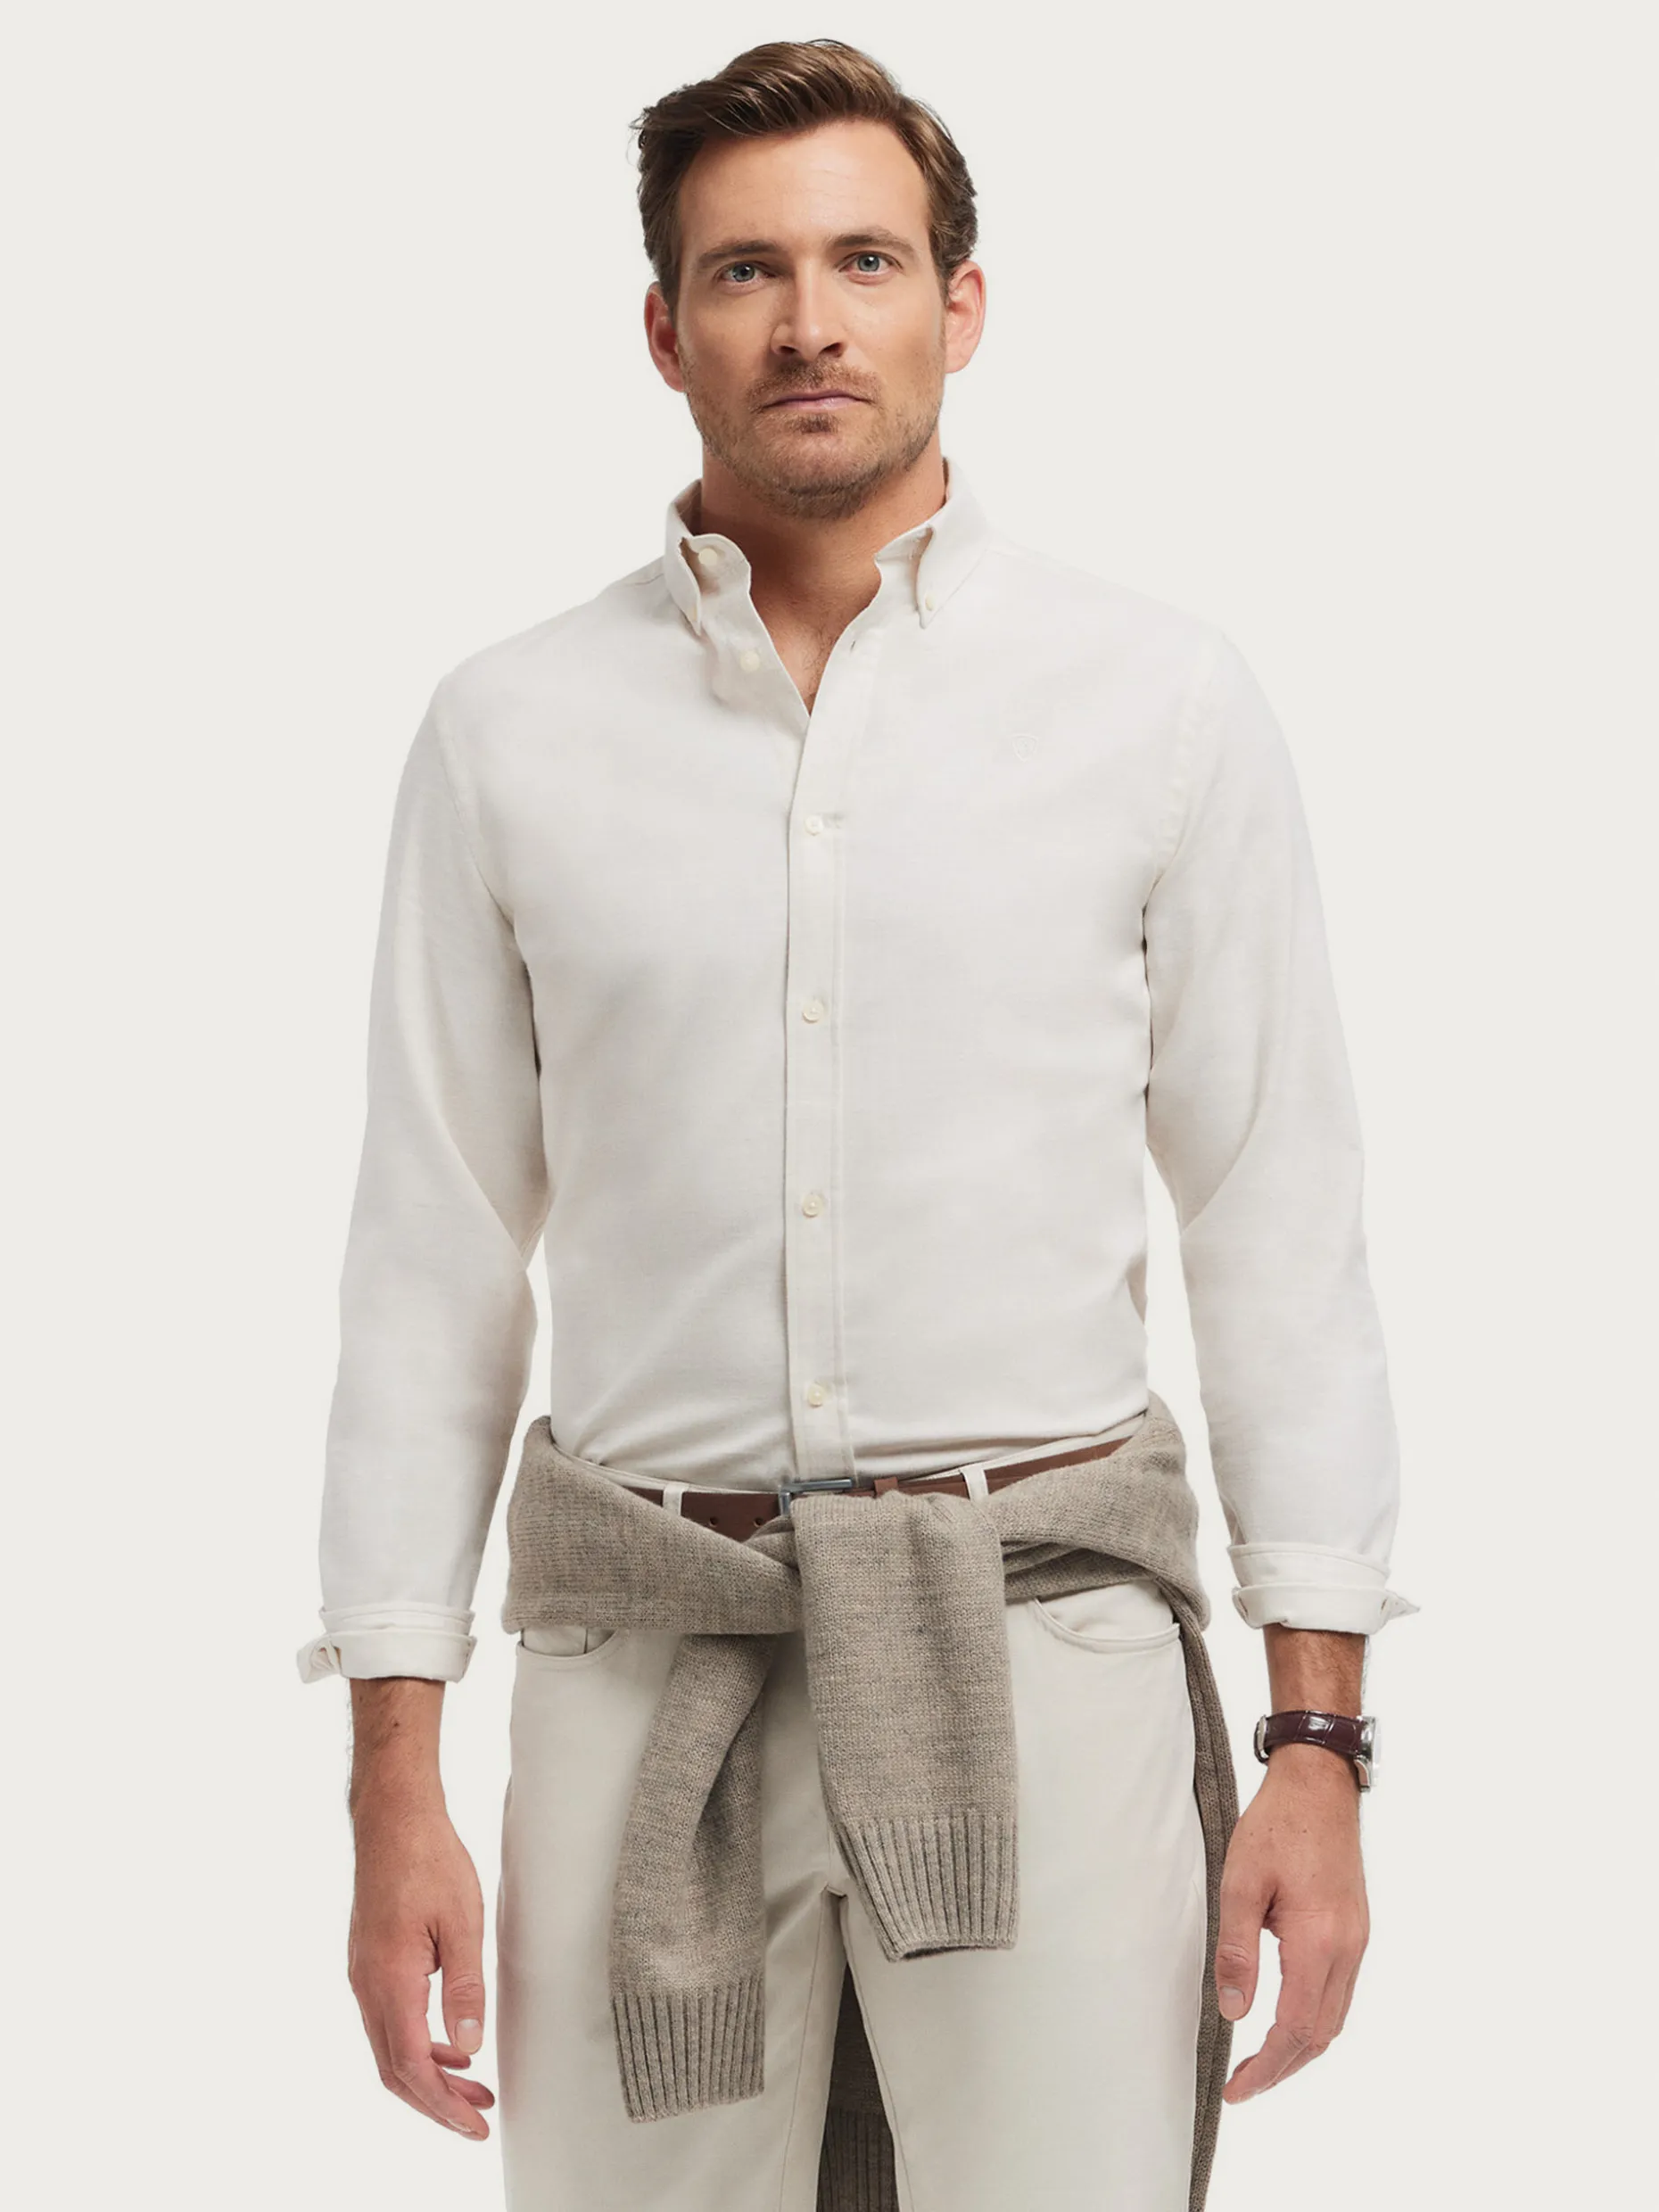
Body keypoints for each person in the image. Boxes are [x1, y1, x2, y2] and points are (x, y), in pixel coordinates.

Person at [296, 37, 1416, 2212]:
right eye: (747, 270)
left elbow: (1282, 1231)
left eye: (866, 261)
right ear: (664, 329)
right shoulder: (509, 732)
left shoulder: (1160, 705)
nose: (810, 319)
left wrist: (1320, 1742)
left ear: (960, 305)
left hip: (1043, 1654)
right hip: (644, 1661)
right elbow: (428, 1274)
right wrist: (391, 1787)